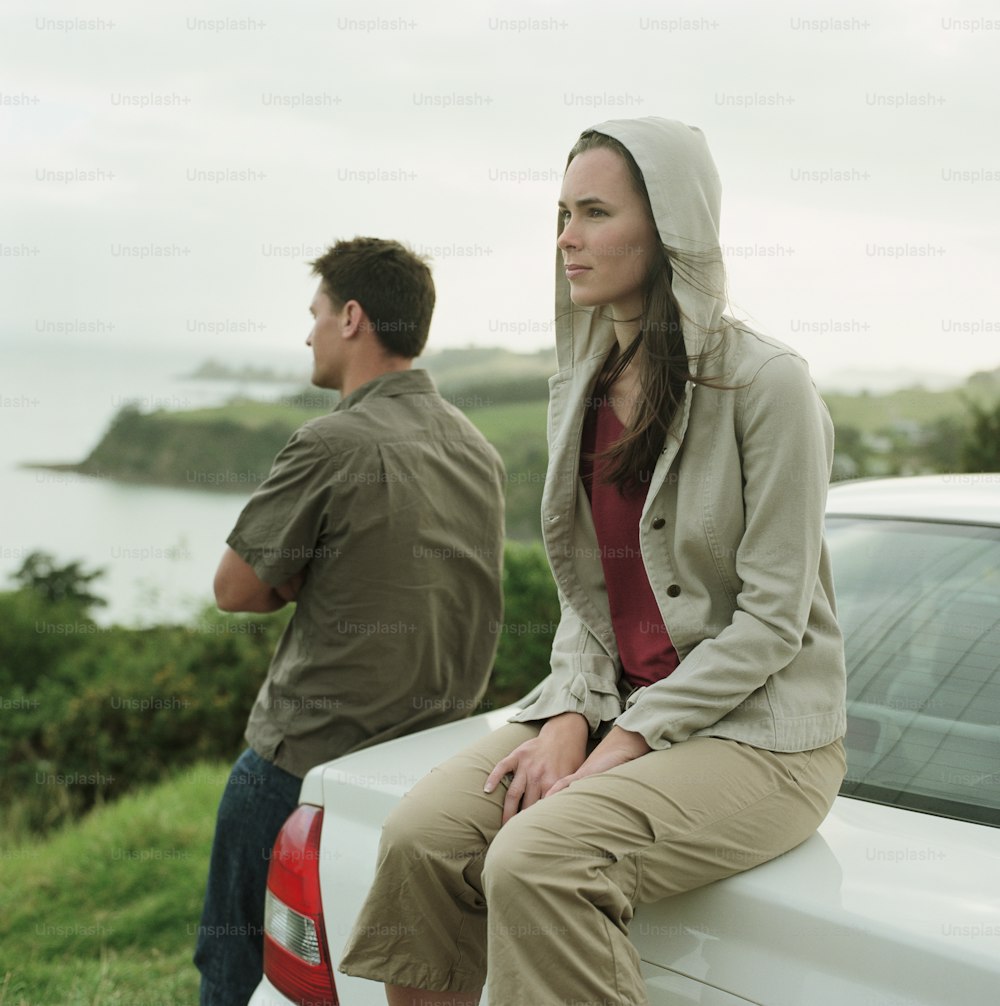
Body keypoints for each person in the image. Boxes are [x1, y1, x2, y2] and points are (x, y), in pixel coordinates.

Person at [337, 119, 848, 1006]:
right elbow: (589, 589)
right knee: (422, 837)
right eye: (562, 213)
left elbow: (771, 622)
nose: (566, 238)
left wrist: (626, 740)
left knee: (537, 860)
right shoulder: (579, 383)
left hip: (759, 738)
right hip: (611, 705)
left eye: (595, 213)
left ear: (670, 228)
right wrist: (573, 712)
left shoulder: (770, 386)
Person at [193, 237, 506, 1006]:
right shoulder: (477, 449)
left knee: (239, 975)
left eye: (317, 314)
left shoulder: (330, 441)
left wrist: (306, 574)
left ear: (353, 317)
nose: (308, 333)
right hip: (425, 776)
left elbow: (235, 589)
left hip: (297, 766)